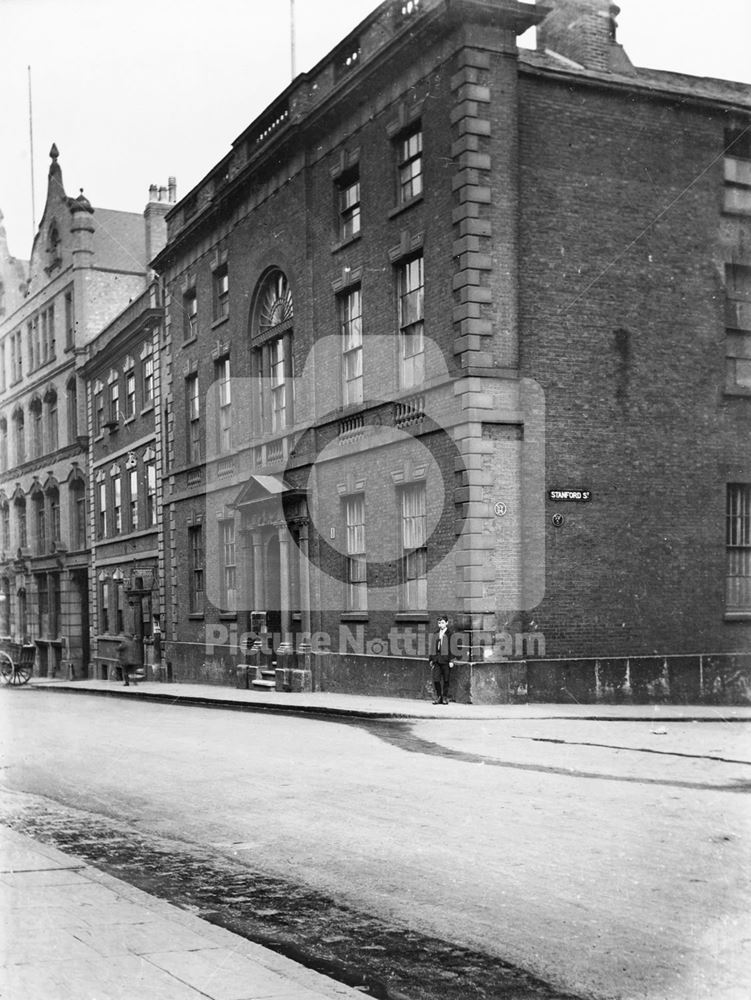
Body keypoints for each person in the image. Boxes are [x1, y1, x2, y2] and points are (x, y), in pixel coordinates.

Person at [428, 615, 453, 705]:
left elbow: (453, 648)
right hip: (437, 660)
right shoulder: (436, 633)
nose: (440, 625)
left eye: (442, 623)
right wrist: (431, 659)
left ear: (446, 623)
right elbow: (432, 647)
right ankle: (439, 697)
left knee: (446, 679)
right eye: (439, 623)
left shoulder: (450, 634)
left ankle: (445, 697)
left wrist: (451, 660)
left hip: (446, 660)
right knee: (436, 679)